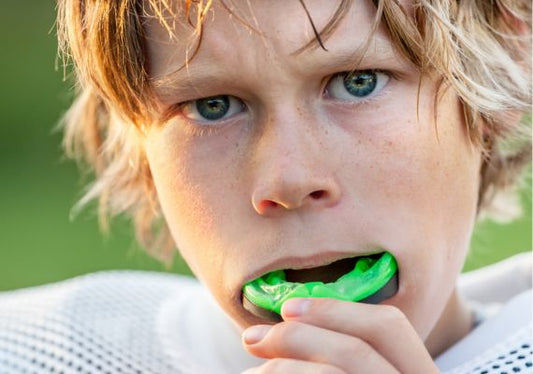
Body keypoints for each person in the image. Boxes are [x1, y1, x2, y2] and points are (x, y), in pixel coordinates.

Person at [0, 0, 531, 373]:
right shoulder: (40, 352)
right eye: (213, 106)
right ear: (139, 148)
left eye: (357, 82)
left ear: (507, 63)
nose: (288, 180)